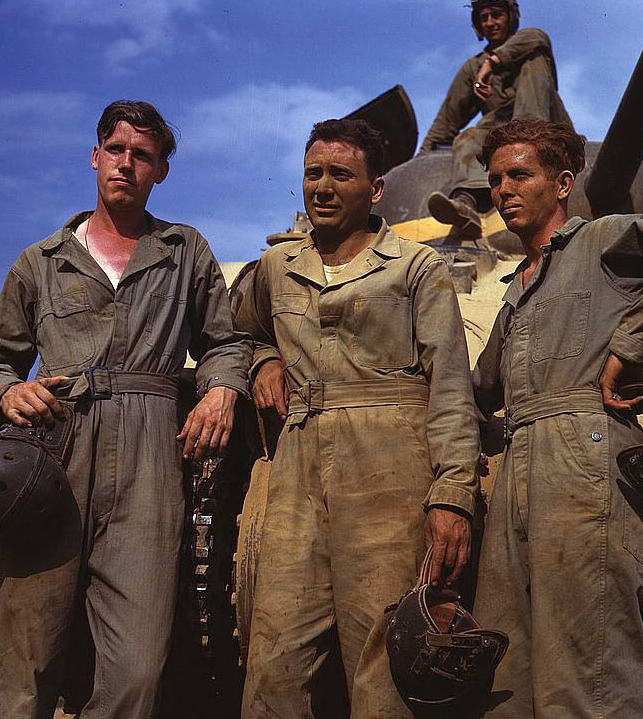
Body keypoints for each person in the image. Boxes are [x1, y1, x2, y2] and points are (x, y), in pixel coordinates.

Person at [0, 100, 251, 719]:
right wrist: (8, 392)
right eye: (116, 151)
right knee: (25, 667)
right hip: (51, 456)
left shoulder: (184, 251)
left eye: (142, 156)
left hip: (151, 458)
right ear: (95, 158)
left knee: (137, 671)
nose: (126, 164)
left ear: (161, 172)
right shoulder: (40, 263)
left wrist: (224, 388)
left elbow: (226, 342)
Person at [471, 118, 643, 718]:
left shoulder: (601, 242)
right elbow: (480, 391)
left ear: (563, 183)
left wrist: (633, 343)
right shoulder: (517, 289)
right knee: (506, 677)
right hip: (520, 466)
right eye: (495, 180)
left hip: (585, 463)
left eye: (520, 175)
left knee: (590, 672)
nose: (503, 191)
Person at [235, 118, 481, 718]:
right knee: (274, 656)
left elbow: (450, 384)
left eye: (340, 174)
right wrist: (264, 358)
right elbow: (237, 327)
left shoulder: (414, 267)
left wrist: (452, 493)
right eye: (313, 173)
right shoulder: (277, 266)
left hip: (389, 465)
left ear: (375, 190)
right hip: (299, 468)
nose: (321, 186)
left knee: (382, 660)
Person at [421, 0, 571, 237]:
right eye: (484, 17)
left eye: (497, 15)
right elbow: (447, 120)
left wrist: (492, 63)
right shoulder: (473, 68)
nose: (490, 22)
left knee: (535, 58)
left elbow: (539, 36)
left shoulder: (531, 43)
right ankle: (466, 204)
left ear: (510, 17)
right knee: (468, 137)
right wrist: (420, 159)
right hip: (502, 132)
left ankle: (527, 139)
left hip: (545, 130)